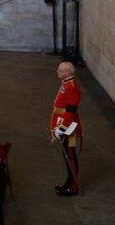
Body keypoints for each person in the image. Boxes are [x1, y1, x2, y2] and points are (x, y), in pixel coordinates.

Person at [50, 61, 82, 196]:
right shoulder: (67, 84)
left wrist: (62, 128)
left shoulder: (72, 87)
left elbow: (70, 111)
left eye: (60, 70)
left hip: (69, 128)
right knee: (67, 156)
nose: (58, 72)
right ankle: (69, 182)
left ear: (68, 72)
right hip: (63, 123)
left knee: (70, 156)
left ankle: (73, 187)